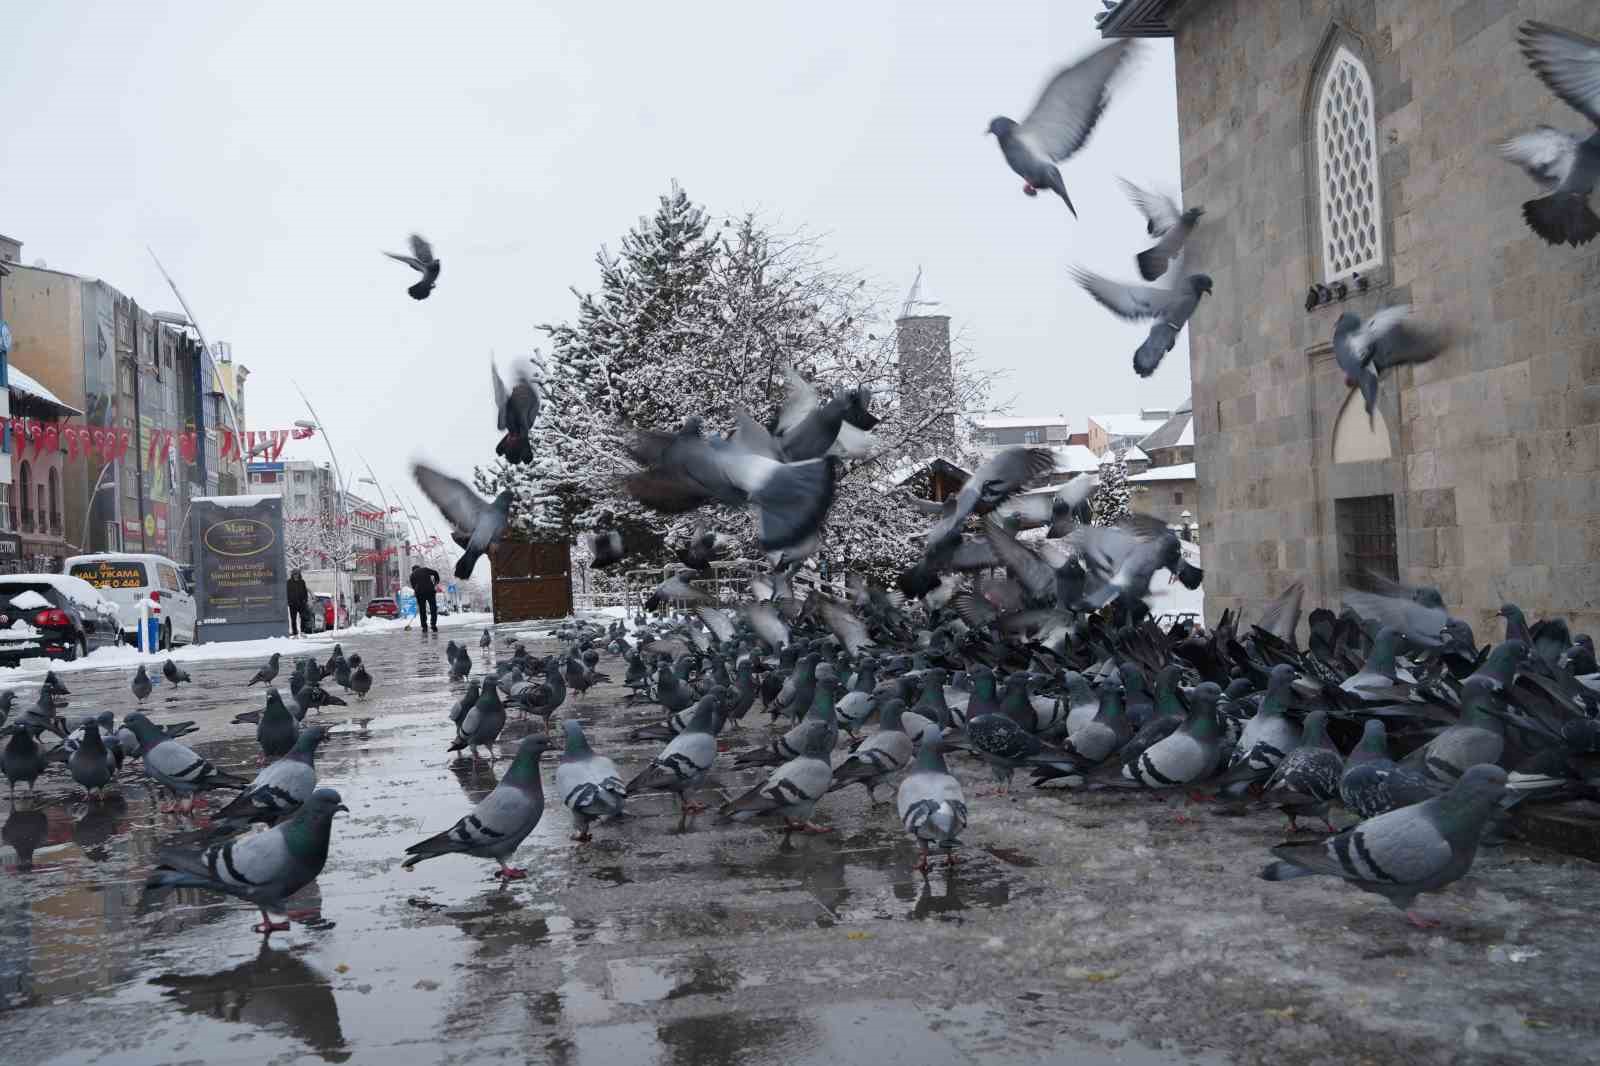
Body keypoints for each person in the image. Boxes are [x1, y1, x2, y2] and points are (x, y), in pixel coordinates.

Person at [411, 563, 441, 632]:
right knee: (433, 608)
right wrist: (436, 582)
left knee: (422, 610)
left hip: (420, 593)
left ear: (413, 570)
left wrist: (416, 592)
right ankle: (433, 625)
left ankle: (424, 626)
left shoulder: (412, 575)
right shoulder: (425, 569)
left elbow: (413, 586)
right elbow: (435, 572)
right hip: (430, 591)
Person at [286, 569, 309, 636]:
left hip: (302, 603)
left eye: (297, 574)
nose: (296, 575)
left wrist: (305, 600)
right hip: (293, 604)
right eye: (294, 574)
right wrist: (289, 602)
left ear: (299, 574)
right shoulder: (289, 582)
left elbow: (305, 592)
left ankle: (303, 632)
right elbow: (287, 592)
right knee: (293, 619)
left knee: (303, 617)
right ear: (292, 575)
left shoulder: (302, 582)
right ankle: (295, 633)